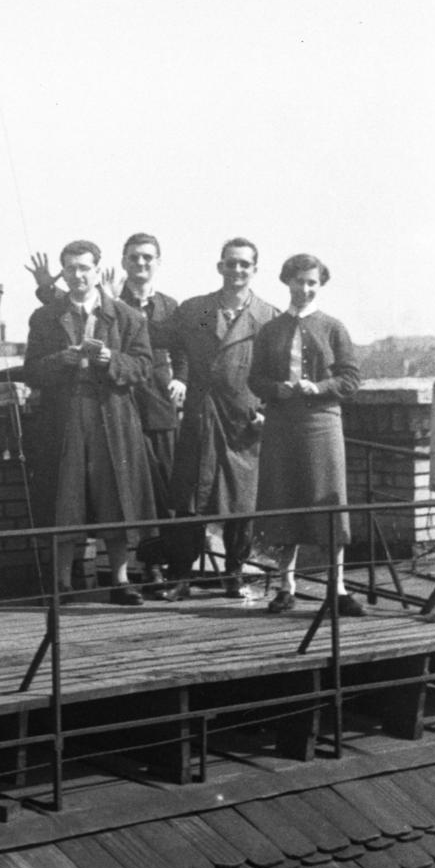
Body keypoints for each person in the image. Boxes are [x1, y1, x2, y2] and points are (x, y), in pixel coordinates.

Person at [27, 233, 186, 596]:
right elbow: (32, 369)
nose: (77, 275)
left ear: (98, 271)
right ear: (62, 273)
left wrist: (110, 359)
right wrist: (61, 360)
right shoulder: (45, 317)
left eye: (84, 268)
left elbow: (143, 366)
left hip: (112, 417)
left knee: (115, 495)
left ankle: (121, 581)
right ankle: (62, 584)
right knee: (65, 498)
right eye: (70, 269)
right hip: (66, 417)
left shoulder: (126, 317)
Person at [249, 252, 364, 616]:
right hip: (282, 424)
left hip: (321, 423)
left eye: (312, 282)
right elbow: (255, 379)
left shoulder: (333, 327)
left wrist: (321, 387)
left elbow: (350, 378)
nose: (305, 289)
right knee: (285, 499)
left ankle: (337, 587)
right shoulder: (270, 330)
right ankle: (286, 586)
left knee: (328, 501)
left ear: (320, 285)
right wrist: (275, 389)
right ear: (287, 281)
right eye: (299, 281)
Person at [162, 238, 278, 597]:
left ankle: (234, 574)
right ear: (220, 267)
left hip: (244, 421)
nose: (237, 270)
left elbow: (279, 371)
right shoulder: (194, 309)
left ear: (255, 270)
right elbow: (164, 339)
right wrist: (180, 375)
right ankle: (180, 578)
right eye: (230, 263)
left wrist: (267, 412)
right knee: (191, 500)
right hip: (203, 413)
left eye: (244, 264)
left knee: (241, 502)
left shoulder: (269, 317)